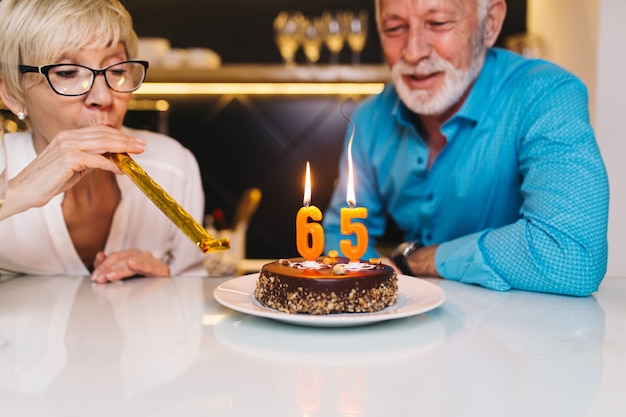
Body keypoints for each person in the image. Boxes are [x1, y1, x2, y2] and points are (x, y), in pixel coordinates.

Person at [323, 0, 609, 296]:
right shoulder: (369, 119)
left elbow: (573, 254)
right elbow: (338, 233)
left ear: (490, 23)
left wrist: (421, 260)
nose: (413, 51)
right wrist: (375, 271)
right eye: (395, 28)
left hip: (522, 331)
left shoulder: (546, 94)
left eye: (438, 23)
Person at [0, 0, 207, 282]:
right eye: (67, 73)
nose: (103, 97)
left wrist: (167, 284)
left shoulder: (172, 166)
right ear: (13, 94)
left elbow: (194, 300)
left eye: (117, 71)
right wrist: (17, 192)